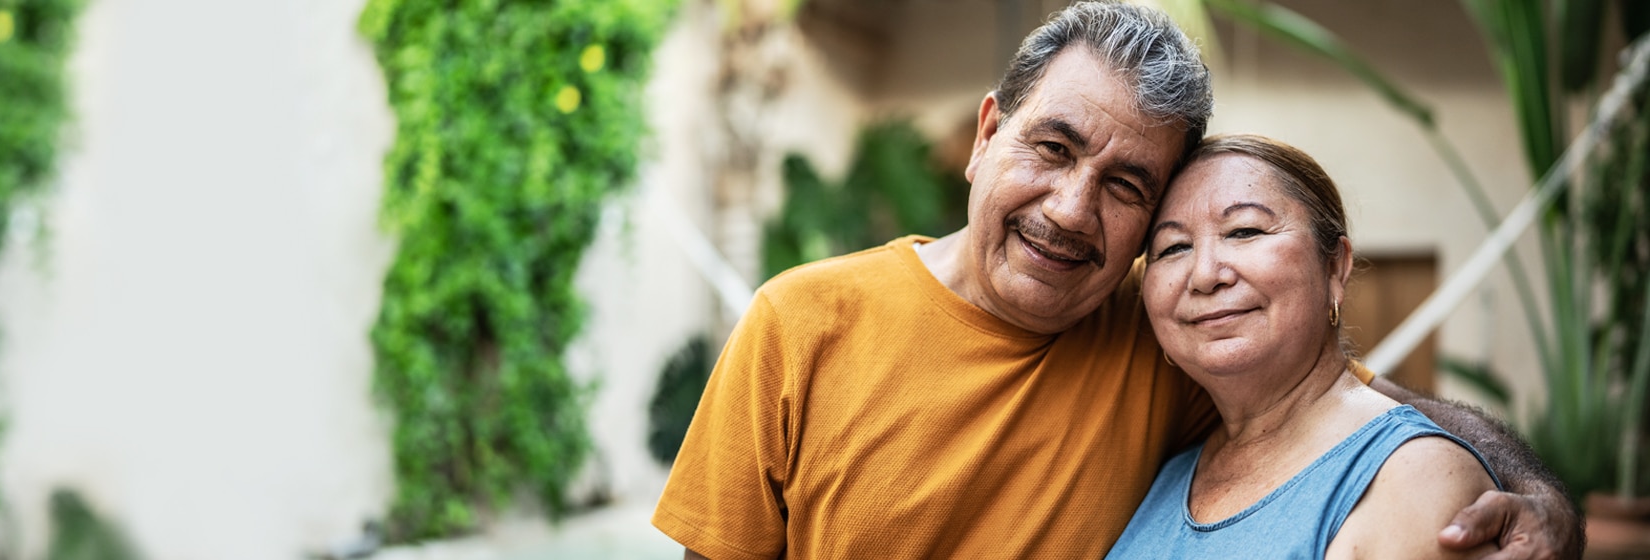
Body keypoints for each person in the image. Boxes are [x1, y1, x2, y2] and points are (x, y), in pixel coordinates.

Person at [654, 2, 1578, 559]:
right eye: (1052, 149)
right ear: (986, 137)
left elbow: (1345, 412)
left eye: (1125, 186)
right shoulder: (800, 322)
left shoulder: (1163, 336)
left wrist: (1536, 492)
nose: (1069, 208)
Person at [1105, 134, 1502, 559]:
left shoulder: (1414, 476)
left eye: (1244, 231)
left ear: (1335, 267)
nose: (1205, 275)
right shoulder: (1168, 472)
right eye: (1174, 247)